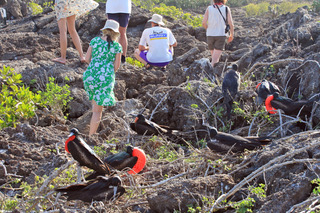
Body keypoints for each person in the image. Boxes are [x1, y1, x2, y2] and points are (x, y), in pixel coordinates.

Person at [83, 20, 122, 136]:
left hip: (90, 75)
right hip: (105, 78)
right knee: (97, 111)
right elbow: (116, 66)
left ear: (104, 30)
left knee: (94, 105)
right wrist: (107, 71)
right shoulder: (117, 46)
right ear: (116, 33)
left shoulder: (95, 41)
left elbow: (86, 59)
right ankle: (91, 136)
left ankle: (91, 132)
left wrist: (95, 66)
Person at [52, 0, 98, 64]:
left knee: (63, 31)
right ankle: (82, 56)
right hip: (71, 2)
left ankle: (63, 57)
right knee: (72, 30)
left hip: (61, 3)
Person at [202, 0, 234, 67]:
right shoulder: (226, 8)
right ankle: (209, 73)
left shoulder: (209, 8)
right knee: (215, 59)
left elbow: (204, 23)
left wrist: (208, 28)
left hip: (210, 35)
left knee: (214, 57)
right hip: (220, 35)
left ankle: (213, 74)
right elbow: (231, 23)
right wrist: (231, 34)